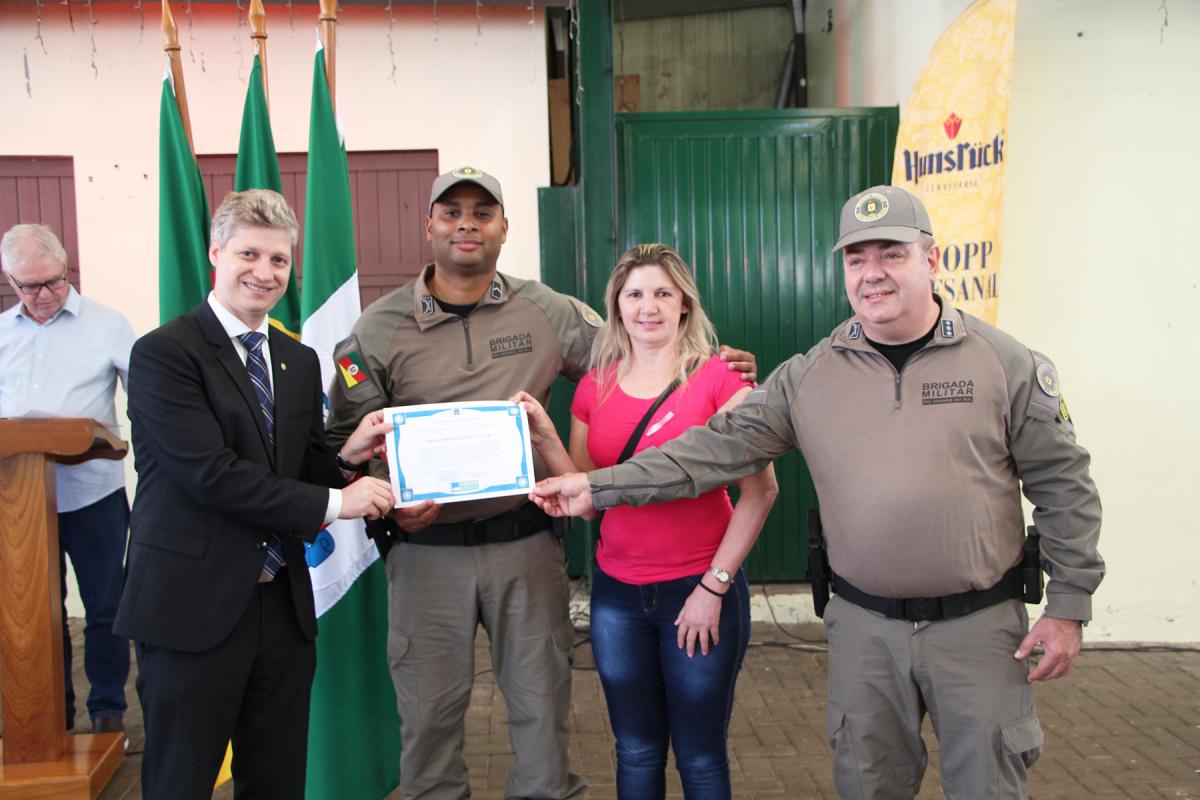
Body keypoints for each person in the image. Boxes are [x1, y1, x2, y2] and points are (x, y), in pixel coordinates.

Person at [532, 184, 1105, 799]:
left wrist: (1069, 605)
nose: (872, 274)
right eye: (857, 259)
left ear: (931, 259)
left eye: (892, 254)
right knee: (867, 784)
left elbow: (1064, 487)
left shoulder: (1002, 362)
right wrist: (598, 485)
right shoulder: (812, 374)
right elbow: (709, 451)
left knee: (987, 787)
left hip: (980, 629)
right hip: (863, 630)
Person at [325, 166, 757, 800]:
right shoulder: (376, 327)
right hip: (425, 555)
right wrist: (391, 505)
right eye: (451, 213)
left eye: (482, 212)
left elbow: (632, 354)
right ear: (430, 225)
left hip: (524, 545)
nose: (466, 224)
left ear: (505, 227)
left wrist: (711, 366)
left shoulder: (547, 310)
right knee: (429, 720)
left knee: (540, 711)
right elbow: (346, 442)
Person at [113, 189, 395, 800]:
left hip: (282, 610)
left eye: (279, 261)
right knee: (180, 780)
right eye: (249, 254)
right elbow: (211, 475)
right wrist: (339, 505)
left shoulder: (295, 358)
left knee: (276, 779)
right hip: (191, 607)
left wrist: (350, 455)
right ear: (215, 252)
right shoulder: (164, 354)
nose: (265, 273)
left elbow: (298, 462)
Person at [514, 243, 777, 799]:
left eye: (663, 293)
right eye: (635, 294)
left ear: (684, 303)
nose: (648, 306)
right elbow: (588, 491)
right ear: (616, 306)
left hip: (698, 589)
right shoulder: (594, 386)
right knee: (635, 751)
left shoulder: (718, 380)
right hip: (618, 598)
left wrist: (715, 586)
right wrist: (543, 434)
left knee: (700, 756)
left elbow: (761, 490)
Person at [0, 223, 135, 735]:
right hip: (17, 501)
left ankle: (107, 713)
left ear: (66, 268)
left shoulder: (107, 324)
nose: (44, 294)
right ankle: (45, 716)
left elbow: (147, 396)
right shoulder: (2, 334)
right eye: (29, 286)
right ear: (11, 282)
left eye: (53, 281)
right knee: (29, 609)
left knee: (104, 606)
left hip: (92, 493)